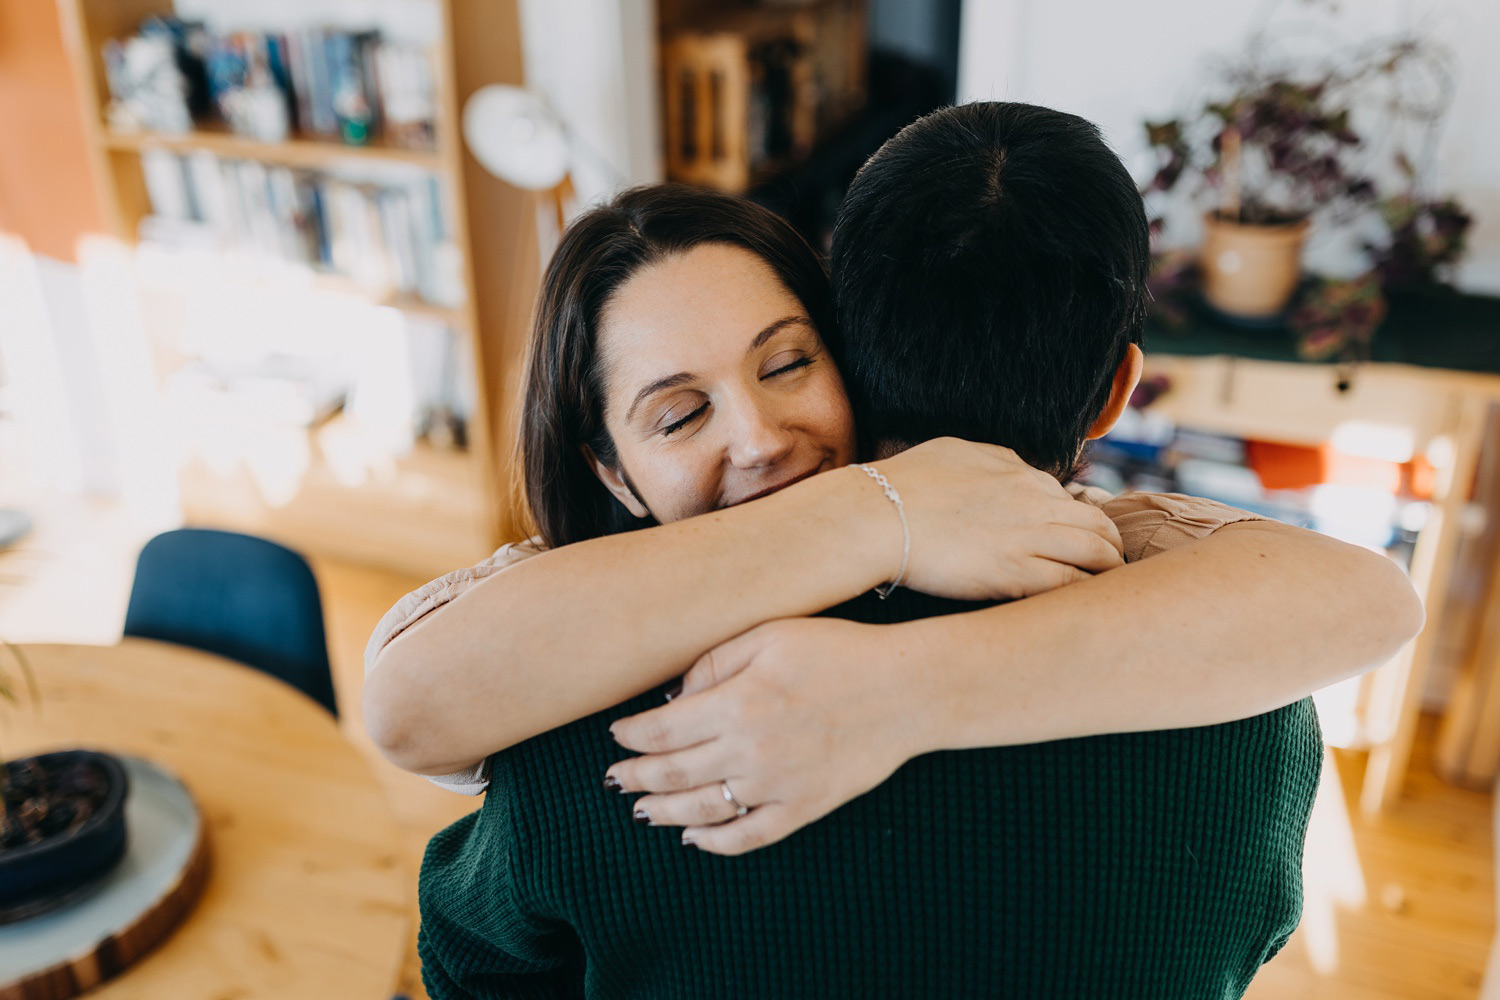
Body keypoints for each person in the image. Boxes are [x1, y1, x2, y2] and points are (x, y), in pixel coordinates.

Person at [387, 102, 1422, 997]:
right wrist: (877, 518)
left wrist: (901, 689)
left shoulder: (589, 736)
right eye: (678, 413)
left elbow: (474, 965)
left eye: (786, 362)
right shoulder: (1243, 706)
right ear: (1118, 389)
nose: (755, 440)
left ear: (850, 343)